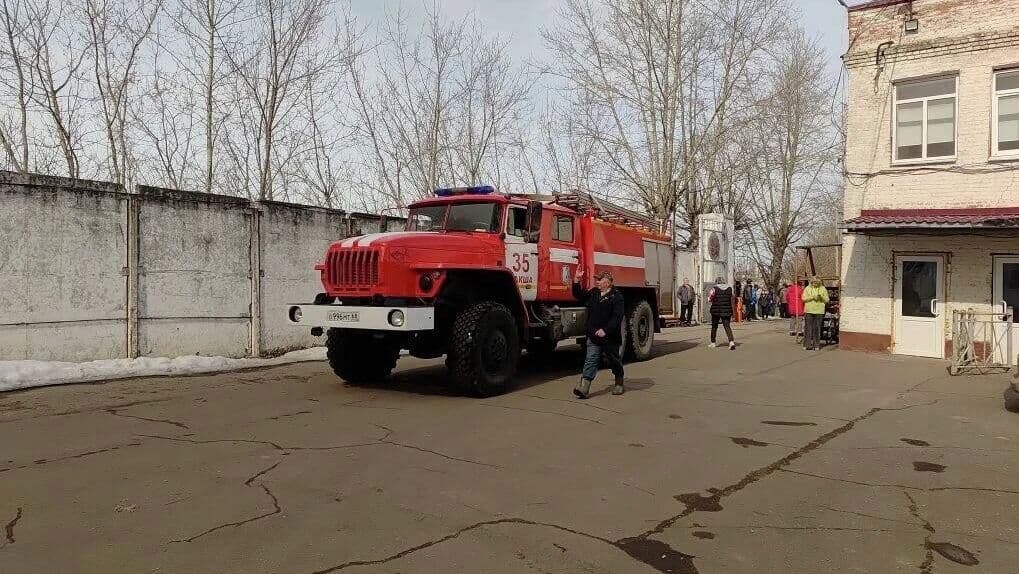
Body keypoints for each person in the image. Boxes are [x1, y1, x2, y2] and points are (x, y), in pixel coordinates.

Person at [572, 269, 625, 398]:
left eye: (600, 280)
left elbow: (617, 317)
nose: (597, 282)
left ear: (608, 282)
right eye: (597, 280)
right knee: (591, 359)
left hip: (610, 337)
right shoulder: (594, 293)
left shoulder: (616, 296)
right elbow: (579, 296)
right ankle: (584, 388)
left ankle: (619, 382)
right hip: (593, 335)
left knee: (613, 360)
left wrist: (606, 330)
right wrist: (576, 281)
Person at [707, 276, 737, 350]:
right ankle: (731, 342)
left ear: (716, 282)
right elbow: (733, 298)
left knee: (714, 326)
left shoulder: (714, 289)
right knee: (727, 326)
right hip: (727, 310)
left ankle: (713, 343)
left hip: (716, 310)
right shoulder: (730, 289)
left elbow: (709, 298)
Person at [802, 276, 830, 351]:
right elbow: (803, 298)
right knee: (808, 328)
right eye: (814, 283)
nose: (815, 284)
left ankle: (816, 345)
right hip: (809, 310)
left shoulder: (823, 289)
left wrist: (821, 298)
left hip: (819, 311)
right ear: (811, 282)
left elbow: (827, 300)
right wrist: (812, 297)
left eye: (817, 283)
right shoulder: (807, 288)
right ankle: (807, 344)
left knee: (817, 328)